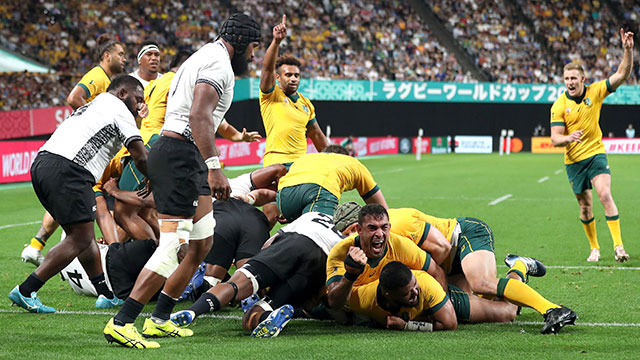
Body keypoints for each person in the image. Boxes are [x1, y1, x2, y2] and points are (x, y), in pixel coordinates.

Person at [103, 13, 261, 349]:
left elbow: (206, 112)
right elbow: (199, 115)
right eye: (254, 49)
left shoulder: (206, 55)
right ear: (244, 42)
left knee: (202, 243)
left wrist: (229, 139)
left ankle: (159, 318)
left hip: (182, 155)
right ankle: (123, 321)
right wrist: (214, 167)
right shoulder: (219, 64)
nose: (253, 57)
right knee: (173, 244)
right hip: (181, 155)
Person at [8, 75, 148, 314]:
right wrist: (154, 179)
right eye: (137, 99)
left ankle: (104, 293)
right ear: (123, 93)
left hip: (44, 163)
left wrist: (134, 112)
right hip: (69, 169)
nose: (139, 105)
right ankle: (26, 289)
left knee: (82, 234)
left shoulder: (97, 103)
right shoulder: (119, 110)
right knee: (81, 238)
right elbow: (140, 154)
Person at [333, 203, 577, 334]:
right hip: (444, 267)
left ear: (356, 227)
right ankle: (520, 268)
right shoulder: (368, 242)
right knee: (491, 299)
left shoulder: (399, 225)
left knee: (482, 283)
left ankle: (552, 309)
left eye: (346, 233)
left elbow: (440, 248)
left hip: (463, 238)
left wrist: (439, 291)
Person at [21, 34, 127, 265]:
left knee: (71, 202)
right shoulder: (97, 76)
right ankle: (116, 257)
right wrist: (93, 121)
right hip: (85, 152)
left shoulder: (109, 80)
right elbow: (74, 97)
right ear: (107, 55)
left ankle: (36, 244)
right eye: (120, 54)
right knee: (97, 205)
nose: (124, 59)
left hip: (85, 154)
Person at [170, 211, 343, 338]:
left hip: (296, 242)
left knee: (236, 284)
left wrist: (258, 267)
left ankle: (192, 312)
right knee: (256, 313)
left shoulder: (314, 215)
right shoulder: (345, 243)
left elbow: (270, 242)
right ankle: (269, 315)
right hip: (320, 265)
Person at [550, 28, 633, 263]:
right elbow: (555, 138)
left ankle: (618, 246)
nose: (570, 83)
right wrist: (568, 138)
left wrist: (628, 50)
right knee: (585, 208)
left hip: (595, 154)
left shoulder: (595, 92)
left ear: (583, 79)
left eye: (573, 78)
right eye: (566, 79)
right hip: (574, 162)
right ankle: (595, 248)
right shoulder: (558, 105)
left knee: (605, 194)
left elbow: (621, 75)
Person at [259, 15, 329, 223]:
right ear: (278, 78)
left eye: (296, 75)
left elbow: (316, 135)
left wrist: (334, 157)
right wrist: (276, 42)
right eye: (288, 75)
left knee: (299, 218)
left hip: (300, 167)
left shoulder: (306, 104)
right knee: (271, 215)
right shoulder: (270, 96)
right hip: (275, 163)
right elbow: (266, 69)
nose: (293, 78)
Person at [325, 205, 447, 314]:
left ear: (389, 227)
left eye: (384, 228)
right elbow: (335, 303)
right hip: (352, 311)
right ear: (359, 230)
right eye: (372, 228)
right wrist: (350, 275)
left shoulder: (400, 245)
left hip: (392, 307)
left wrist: (440, 305)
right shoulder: (340, 253)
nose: (380, 234)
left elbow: (437, 272)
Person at [349, 262, 518, 332]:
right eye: (408, 293)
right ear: (388, 294)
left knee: (508, 313)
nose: (416, 292)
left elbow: (450, 323)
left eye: (414, 286)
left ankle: (518, 269)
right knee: (481, 296)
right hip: (435, 303)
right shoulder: (364, 298)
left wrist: (407, 326)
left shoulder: (425, 285)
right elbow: (334, 301)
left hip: (444, 301)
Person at [276, 144, 387, 222]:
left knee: (297, 233)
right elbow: (381, 208)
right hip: (318, 191)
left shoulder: (307, 158)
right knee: (323, 237)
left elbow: (278, 171)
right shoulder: (353, 163)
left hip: (283, 197)